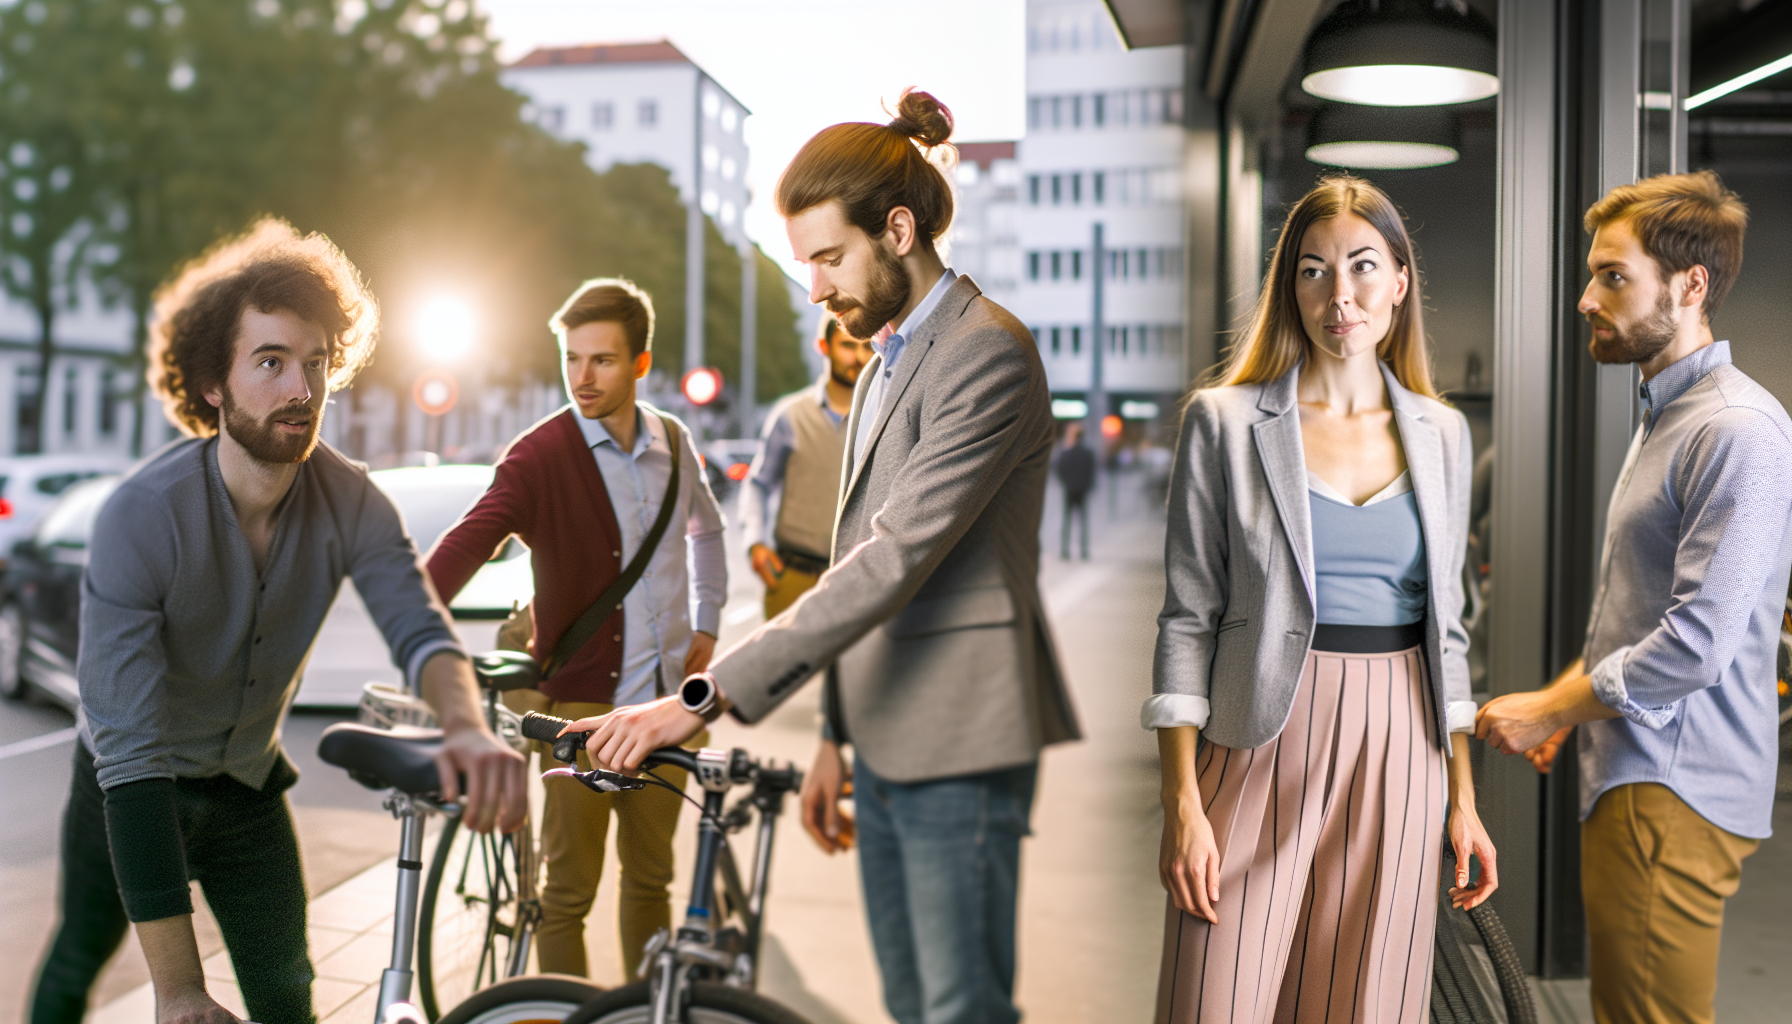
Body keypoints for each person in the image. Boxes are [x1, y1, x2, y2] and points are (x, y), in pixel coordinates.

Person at [562, 89, 1081, 1024]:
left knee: (960, 1009)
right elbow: (858, 563)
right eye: (806, 265)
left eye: (830, 258)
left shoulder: (986, 353)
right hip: (885, 731)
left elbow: (892, 557)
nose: (816, 289)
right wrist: (839, 737)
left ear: (898, 229)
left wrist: (702, 696)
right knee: (914, 1003)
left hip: (961, 733)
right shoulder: (885, 363)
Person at [30, 220, 526, 1024]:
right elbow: (130, 752)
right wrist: (181, 988)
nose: (302, 388)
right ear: (213, 384)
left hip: (248, 789)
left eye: (316, 363)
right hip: (128, 789)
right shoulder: (139, 518)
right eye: (270, 361)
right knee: (76, 961)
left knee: (288, 994)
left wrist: (465, 723)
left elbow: (418, 623)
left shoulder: (354, 498)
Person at [1148, 175, 1498, 1024]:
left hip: (1401, 741)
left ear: (1400, 282)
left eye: (1362, 267)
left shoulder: (1443, 434)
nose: (1338, 296)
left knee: (1365, 1005)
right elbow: (1187, 620)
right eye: (1312, 270)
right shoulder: (1226, 422)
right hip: (1258, 733)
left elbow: (1447, 631)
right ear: (1288, 287)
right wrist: (1182, 802)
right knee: (1215, 998)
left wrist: (1463, 799)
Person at [1478, 170, 1792, 1024]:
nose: (1587, 298)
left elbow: (1696, 643)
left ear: (1691, 287)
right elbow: (1641, 603)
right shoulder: (1670, 416)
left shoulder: (1734, 431)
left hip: (1671, 787)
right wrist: (1573, 711)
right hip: (1637, 772)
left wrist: (1551, 707)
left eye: (1613, 276)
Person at [425, 278, 726, 981]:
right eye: (572, 359)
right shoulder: (539, 457)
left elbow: (706, 531)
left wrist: (707, 624)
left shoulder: (674, 444)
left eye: (603, 361)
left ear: (641, 364)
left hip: (665, 708)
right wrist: (417, 623)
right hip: (583, 715)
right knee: (567, 896)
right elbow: (466, 545)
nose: (582, 378)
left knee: (652, 883)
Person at [740, 314, 872, 617]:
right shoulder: (790, 416)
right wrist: (755, 542)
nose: (859, 357)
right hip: (794, 576)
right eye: (848, 345)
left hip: (859, 579)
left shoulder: (880, 417)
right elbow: (758, 483)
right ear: (823, 346)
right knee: (785, 665)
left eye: (867, 347)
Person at [1054, 422, 1096, 560]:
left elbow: (1059, 471)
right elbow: (1091, 474)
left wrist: (1067, 483)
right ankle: (1084, 551)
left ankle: (1065, 551)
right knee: (1083, 522)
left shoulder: (1066, 453)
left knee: (1067, 522)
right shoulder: (1088, 453)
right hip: (1082, 491)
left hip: (1069, 490)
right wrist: (1087, 486)